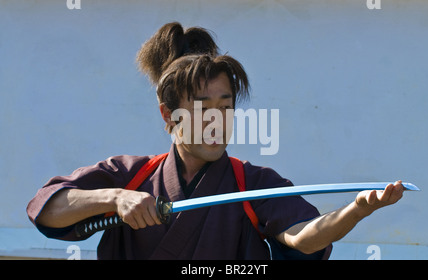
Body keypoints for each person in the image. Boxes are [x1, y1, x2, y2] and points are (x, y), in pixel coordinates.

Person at [26, 22, 405, 260]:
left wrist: (356, 211)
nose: (216, 121)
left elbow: (304, 236)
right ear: (167, 114)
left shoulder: (252, 184)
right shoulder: (131, 176)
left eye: (225, 107)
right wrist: (115, 198)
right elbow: (46, 209)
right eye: (202, 107)